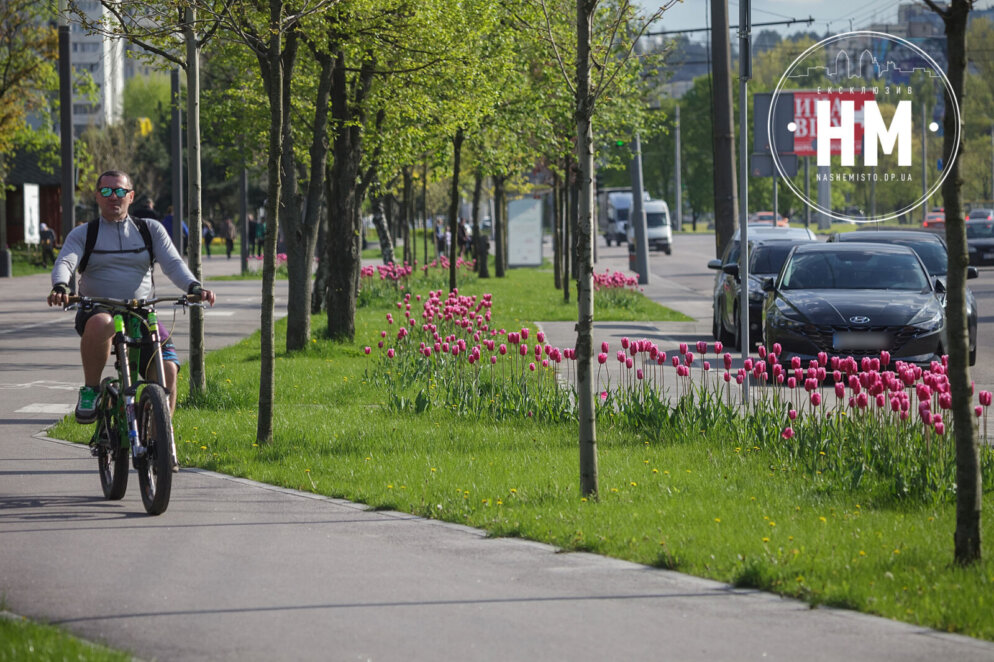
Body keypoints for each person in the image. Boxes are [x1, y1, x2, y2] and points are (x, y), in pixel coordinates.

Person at [47, 170, 216, 431]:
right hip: (98, 308)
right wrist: (60, 285)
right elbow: (66, 261)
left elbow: (172, 264)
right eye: (106, 191)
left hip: (141, 311)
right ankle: (91, 390)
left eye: (120, 191)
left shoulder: (149, 230)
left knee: (168, 371)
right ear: (97, 196)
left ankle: (159, 442)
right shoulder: (85, 233)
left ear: (131, 196)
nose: (113, 197)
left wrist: (194, 286)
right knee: (102, 322)